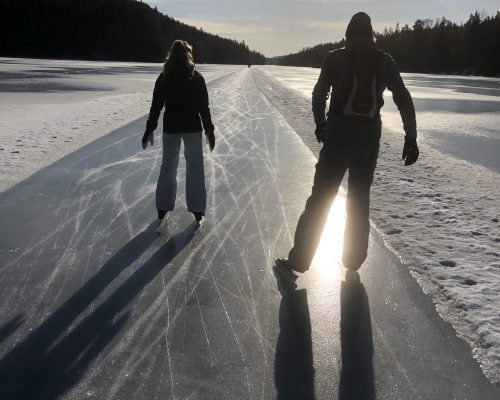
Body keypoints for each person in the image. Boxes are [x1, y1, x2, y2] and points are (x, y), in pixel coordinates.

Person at [275, 12, 419, 284]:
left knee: (321, 198)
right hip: (369, 138)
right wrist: (410, 139)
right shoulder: (385, 61)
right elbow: (403, 98)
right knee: (359, 199)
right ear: (372, 34)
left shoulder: (335, 57)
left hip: (338, 135)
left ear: (348, 34)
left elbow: (319, 93)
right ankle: (353, 261)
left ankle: (298, 261)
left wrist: (320, 123)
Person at [142, 40, 215, 227]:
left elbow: (156, 106)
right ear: (188, 54)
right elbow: (203, 108)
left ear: (171, 55)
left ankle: (162, 207)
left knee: (168, 168)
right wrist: (209, 130)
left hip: (172, 129)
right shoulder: (196, 77)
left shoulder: (165, 77)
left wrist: (150, 128)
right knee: (195, 170)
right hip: (192, 129)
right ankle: (197, 209)